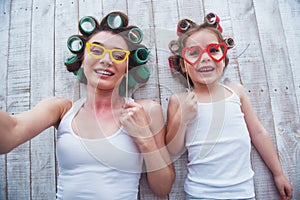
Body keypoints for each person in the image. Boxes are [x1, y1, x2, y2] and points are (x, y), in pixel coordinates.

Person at [0, 11, 175, 199]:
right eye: (97, 50)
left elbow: (162, 188)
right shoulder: (61, 110)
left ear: (127, 68)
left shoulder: (146, 111)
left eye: (118, 55)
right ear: (82, 59)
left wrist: (145, 139)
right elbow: (10, 134)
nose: (107, 60)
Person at [166, 13, 293, 200]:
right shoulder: (179, 100)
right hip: (200, 194)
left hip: (243, 192)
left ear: (223, 58)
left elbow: (258, 133)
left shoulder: (236, 92)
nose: (205, 58)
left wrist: (278, 173)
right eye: (193, 53)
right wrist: (182, 118)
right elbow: (172, 150)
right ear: (184, 66)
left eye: (213, 50)